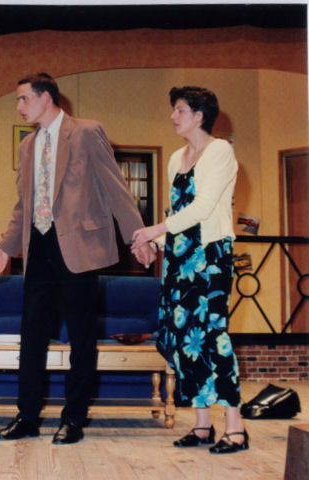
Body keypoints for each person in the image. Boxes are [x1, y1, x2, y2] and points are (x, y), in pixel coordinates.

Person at [0, 73, 156, 444]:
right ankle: (27, 417)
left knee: (81, 339)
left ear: (46, 97)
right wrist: (4, 246)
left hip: (80, 250)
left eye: (23, 99)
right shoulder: (26, 146)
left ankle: (74, 419)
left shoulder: (86, 132)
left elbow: (116, 188)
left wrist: (137, 236)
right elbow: (23, 205)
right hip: (39, 250)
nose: (19, 106)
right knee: (31, 337)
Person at [131, 86, 247, 454]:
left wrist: (154, 231)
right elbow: (176, 216)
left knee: (214, 336)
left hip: (210, 256)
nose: (172, 116)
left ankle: (236, 427)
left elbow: (202, 208)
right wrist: (155, 245)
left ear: (199, 116)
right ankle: (202, 426)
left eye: (179, 110)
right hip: (180, 260)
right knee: (184, 340)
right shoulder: (176, 157)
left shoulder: (220, 151)